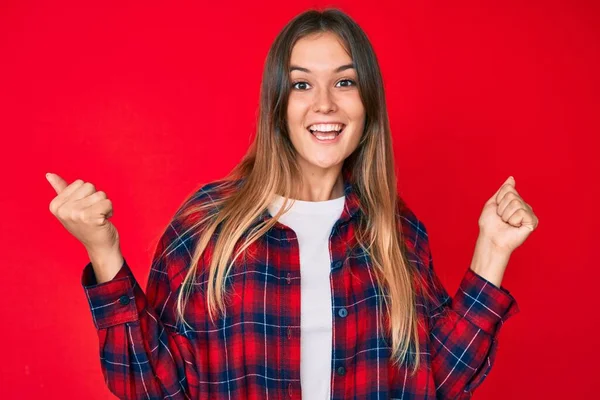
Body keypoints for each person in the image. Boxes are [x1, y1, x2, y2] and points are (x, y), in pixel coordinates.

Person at [46, 8, 538, 400]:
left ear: (368, 103)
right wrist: (104, 251)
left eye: (344, 82)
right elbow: (149, 387)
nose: (324, 103)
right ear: (277, 104)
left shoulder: (397, 232)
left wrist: (492, 252)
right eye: (302, 84)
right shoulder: (206, 226)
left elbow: (438, 383)